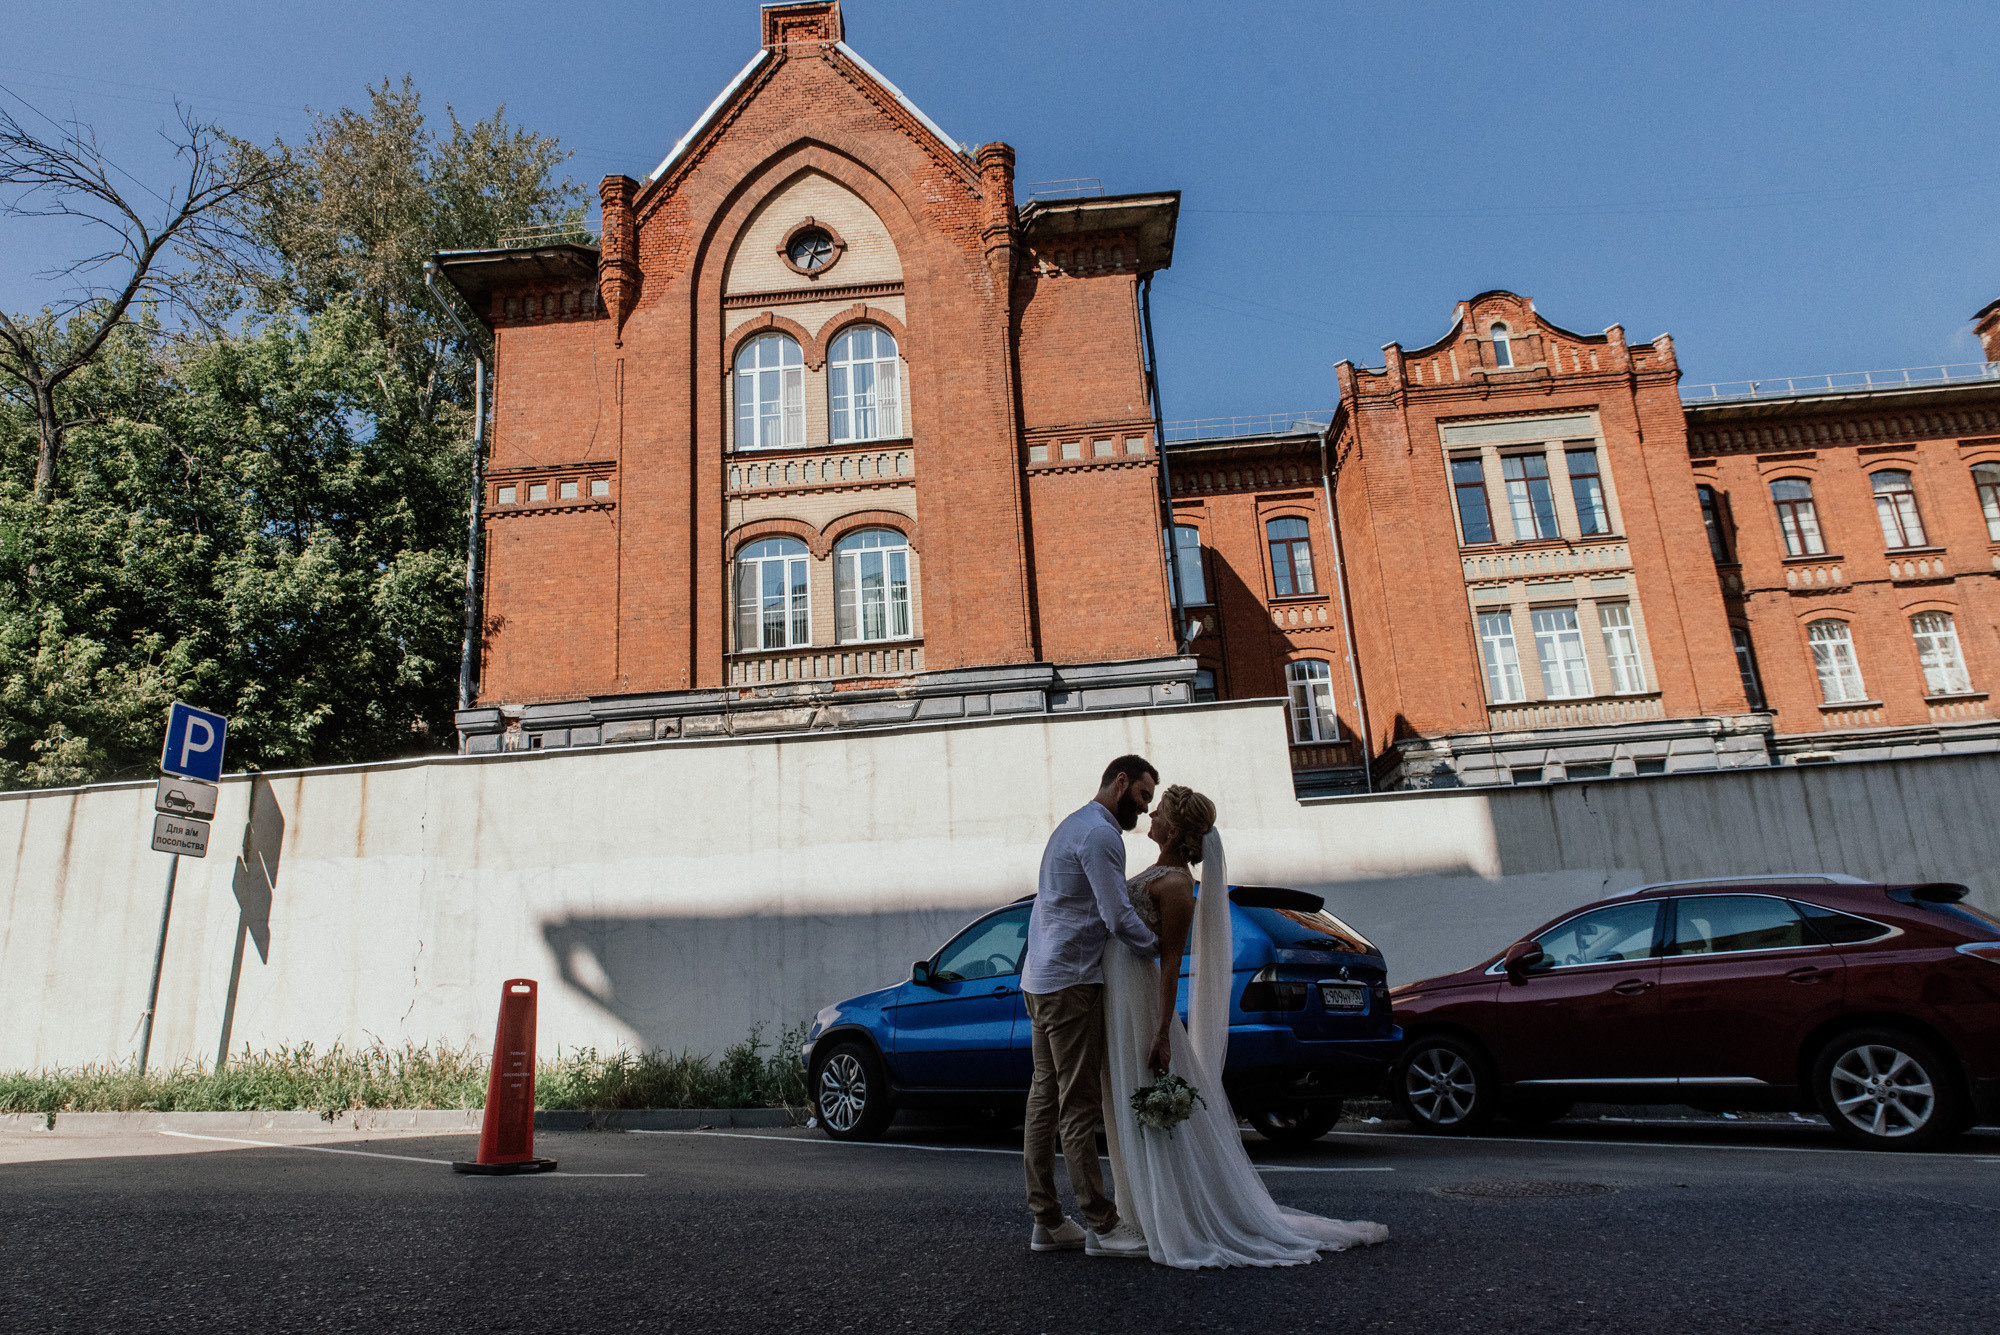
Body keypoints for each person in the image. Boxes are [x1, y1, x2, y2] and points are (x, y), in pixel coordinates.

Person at [1099, 784, 1390, 1268]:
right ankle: (1143, 1210)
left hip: (1139, 996)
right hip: (1121, 990)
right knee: (1129, 1099)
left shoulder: (1175, 886)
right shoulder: (1158, 873)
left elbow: (1170, 963)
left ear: (1173, 827)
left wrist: (1159, 1031)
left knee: (1149, 1100)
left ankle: (1173, 1212)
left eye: (1160, 809)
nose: (1150, 812)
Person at [1020, 755, 1159, 1259]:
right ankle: (1102, 1224)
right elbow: (1117, 914)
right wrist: (1157, 948)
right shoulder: (1101, 835)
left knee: (1045, 1098)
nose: (1143, 812)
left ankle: (1048, 1221)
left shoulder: (1072, 825)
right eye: (1142, 796)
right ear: (1120, 782)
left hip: (1041, 977)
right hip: (1071, 982)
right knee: (1077, 1106)